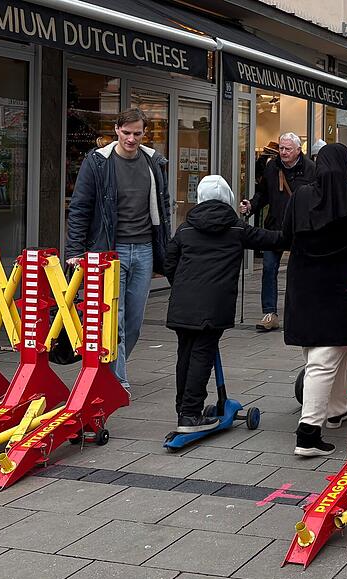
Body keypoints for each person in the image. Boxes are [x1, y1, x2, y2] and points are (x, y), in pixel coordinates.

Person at [284, 143, 347, 457]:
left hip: (306, 285)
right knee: (325, 358)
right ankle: (308, 434)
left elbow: (287, 233)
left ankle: (336, 410)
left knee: (336, 350)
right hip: (344, 288)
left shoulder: (301, 194)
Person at [163, 176, 283, 434]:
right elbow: (273, 239)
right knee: (201, 355)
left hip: (183, 304)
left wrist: (182, 287)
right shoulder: (237, 229)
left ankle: (182, 409)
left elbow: (169, 262)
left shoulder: (185, 229)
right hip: (214, 304)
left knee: (184, 354)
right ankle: (191, 415)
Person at [66, 108, 172, 395]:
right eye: (127, 133)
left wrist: (167, 246)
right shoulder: (98, 162)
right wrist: (75, 250)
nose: (132, 139)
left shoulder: (152, 162)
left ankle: (111, 367)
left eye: (137, 133)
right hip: (108, 252)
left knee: (134, 321)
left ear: (144, 132)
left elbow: (163, 208)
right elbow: (79, 208)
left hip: (145, 250)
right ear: (116, 130)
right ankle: (118, 382)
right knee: (115, 319)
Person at [239, 132, 314, 333]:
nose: (283, 152)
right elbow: (263, 193)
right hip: (275, 227)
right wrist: (251, 206)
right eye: (281, 148)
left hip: (300, 229)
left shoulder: (311, 170)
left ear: (299, 150)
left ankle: (298, 310)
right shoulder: (273, 167)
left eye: (288, 148)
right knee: (269, 268)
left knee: (298, 271)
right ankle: (270, 313)